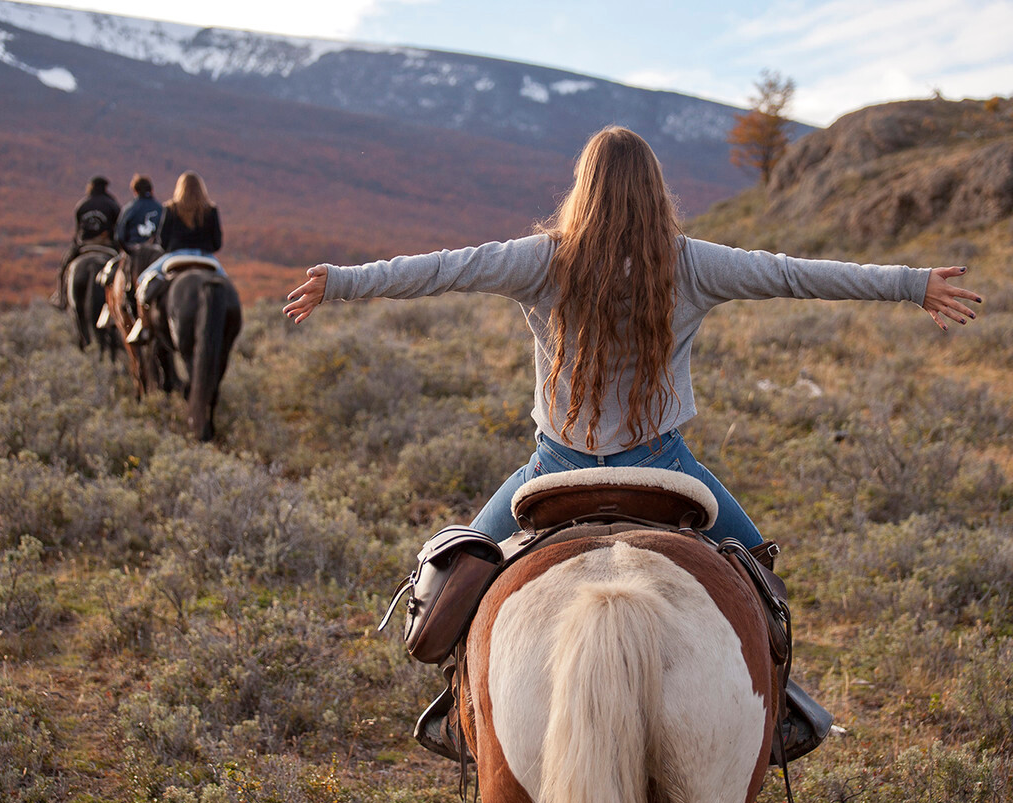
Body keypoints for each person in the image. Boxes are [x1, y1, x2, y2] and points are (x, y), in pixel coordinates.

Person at [283, 126, 982, 757]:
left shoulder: (540, 261)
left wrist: (341, 283)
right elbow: (794, 274)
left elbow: (443, 269)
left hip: (552, 468)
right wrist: (912, 284)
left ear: (582, 190)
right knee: (765, 588)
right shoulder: (693, 264)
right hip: (664, 465)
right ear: (656, 193)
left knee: (451, 581)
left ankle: (458, 714)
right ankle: (782, 715)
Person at [127, 171, 226, 344]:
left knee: (143, 279)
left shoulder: (170, 208)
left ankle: (143, 325)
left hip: (175, 257)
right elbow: (217, 243)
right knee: (227, 288)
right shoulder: (210, 210)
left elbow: (162, 241)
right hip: (206, 258)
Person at [51, 176, 121, 309]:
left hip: (85, 244)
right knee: (123, 266)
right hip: (107, 244)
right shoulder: (112, 204)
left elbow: (78, 231)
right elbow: (117, 229)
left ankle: (60, 296)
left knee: (64, 266)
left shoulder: (82, 205)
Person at [115, 174, 163, 249]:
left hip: (132, 251)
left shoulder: (128, 209)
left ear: (135, 191)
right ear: (151, 190)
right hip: (157, 251)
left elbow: (119, 236)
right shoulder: (161, 209)